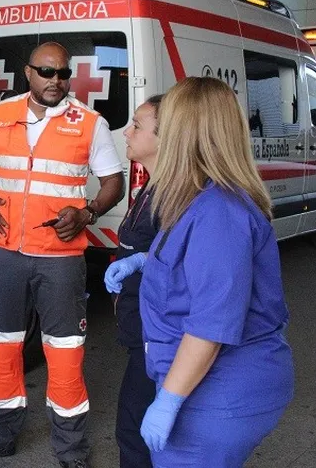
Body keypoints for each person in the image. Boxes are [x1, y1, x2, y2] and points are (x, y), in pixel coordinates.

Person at [106, 77, 294, 467]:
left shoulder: (218, 211)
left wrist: (169, 400)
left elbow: (212, 324)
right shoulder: (200, 198)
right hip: (205, 382)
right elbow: (193, 264)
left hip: (216, 390)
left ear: (185, 134)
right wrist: (142, 262)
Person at [0, 41, 125, 468]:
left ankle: (70, 450)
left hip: (61, 259)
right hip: (6, 255)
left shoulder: (90, 123)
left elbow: (113, 182)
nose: (56, 81)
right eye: (47, 72)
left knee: (65, 353)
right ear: (28, 73)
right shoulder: (0, 114)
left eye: (64, 74)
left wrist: (89, 212)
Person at [103, 95, 163, 468]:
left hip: (156, 338)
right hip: (140, 332)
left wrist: (140, 261)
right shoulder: (151, 188)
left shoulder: (173, 197)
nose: (126, 132)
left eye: (137, 126)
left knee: (134, 432)